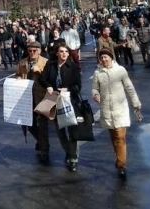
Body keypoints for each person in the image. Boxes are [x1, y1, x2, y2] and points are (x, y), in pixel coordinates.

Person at [92, 48, 142, 179]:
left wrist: (136, 104)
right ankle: (120, 159)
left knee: (120, 137)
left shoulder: (120, 71)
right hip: (106, 109)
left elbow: (129, 88)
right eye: (101, 57)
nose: (103, 59)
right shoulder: (98, 73)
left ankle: (121, 166)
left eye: (105, 57)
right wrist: (95, 94)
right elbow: (94, 88)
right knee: (114, 138)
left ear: (111, 57)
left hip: (120, 109)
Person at [38, 44, 81, 172]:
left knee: (72, 130)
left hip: (69, 101)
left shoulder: (72, 67)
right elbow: (42, 79)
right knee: (60, 130)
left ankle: (73, 158)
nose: (63, 54)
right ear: (57, 53)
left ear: (68, 54)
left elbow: (78, 86)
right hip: (54, 100)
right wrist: (48, 86)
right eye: (61, 51)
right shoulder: (50, 65)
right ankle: (69, 151)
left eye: (66, 52)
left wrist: (67, 89)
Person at [15, 41, 48, 162]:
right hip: (27, 98)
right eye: (30, 51)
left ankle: (44, 149)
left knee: (43, 125)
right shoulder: (23, 62)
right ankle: (40, 140)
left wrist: (40, 71)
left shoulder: (45, 62)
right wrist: (18, 78)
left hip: (42, 97)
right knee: (29, 124)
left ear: (39, 51)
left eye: (34, 51)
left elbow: (50, 79)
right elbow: (18, 74)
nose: (32, 53)